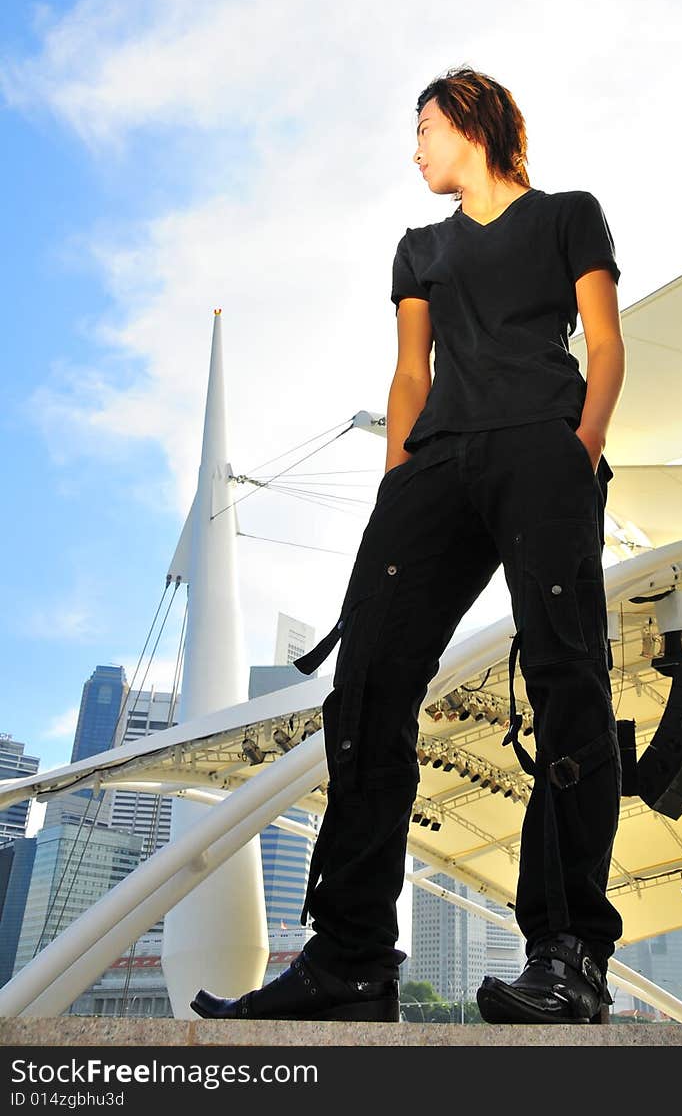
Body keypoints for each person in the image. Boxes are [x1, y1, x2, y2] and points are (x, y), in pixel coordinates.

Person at [192, 66, 626, 1025]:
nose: (415, 144)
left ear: (471, 120)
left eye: (424, 125)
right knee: (368, 686)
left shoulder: (569, 217)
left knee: (566, 677)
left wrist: (579, 447)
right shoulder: (419, 248)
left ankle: (567, 957)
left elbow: (604, 341)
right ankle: (350, 964)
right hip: (433, 468)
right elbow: (407, 373)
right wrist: (400, 477)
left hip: (540, 449)